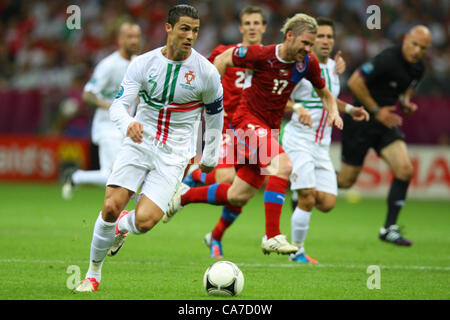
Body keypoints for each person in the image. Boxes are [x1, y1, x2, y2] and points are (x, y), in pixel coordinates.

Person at [164, 13, 343, 256]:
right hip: (245, 121)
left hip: (267, 128)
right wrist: (210, 93)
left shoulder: (306, 63)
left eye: (310, 45)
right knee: (282, 165)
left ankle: (182, 198)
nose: (308, 49)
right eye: (305, 43)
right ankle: (272, 236)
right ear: (290, 36)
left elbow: (325, 93)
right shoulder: (263, 54)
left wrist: (334, 111)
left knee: (238, 195)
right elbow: (226, 58)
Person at [75, 4, 224, 292]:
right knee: (109, 206)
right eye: (184, 28)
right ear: (168, 29)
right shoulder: (143, 63)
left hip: (174, 154)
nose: (190, 35)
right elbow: (118, 104)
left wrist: (210, 154)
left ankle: (122, 227)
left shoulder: (206, 73)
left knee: (143, 222)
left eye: (195, 30)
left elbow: (215, 115)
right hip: (139, 143)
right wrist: (128, 123)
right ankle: (92, 274)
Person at [181, 6, 267, 258]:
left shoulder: (271, 58)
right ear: (241, 28)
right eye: (247, 22)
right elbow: (202, 80)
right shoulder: (222, 53)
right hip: (228, 124)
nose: (252, 27)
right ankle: (196, 178)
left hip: (259, 128)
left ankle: (215, 236)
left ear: (264, 28)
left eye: (256, 23)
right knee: (227, 180)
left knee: (242, 194)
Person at [282, 17, 369, 264]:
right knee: (309, 196)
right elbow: (280, 97)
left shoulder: (333, 67)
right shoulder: (299, 66)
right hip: (299, 139)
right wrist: (297, 107)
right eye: (320, 36)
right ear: (310, 39)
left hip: (322, 145)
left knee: (328, 203)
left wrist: (351, 110)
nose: (325, 41)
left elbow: (328, 99)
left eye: (329, 37)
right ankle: (297, 251)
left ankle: (299, 192)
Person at [337, 25, 432, 246]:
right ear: (406, 39)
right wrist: (376, 110)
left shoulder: (418, 67)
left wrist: (406, 103)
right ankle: (305, 182)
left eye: (423, 48)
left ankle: (389, 228)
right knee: (345, 181)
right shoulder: (388, 59)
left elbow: (407, 90)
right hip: (362, 120)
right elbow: (354, 82)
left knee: (405, 169)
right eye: (414, 44)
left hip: (385, 123)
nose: (417, 51)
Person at [62, 22, 141, 200]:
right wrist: (112, 106)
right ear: (120, 40)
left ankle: (75, 176)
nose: (134, 40)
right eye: (129, 37)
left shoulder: (139, 63)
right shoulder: (109, 65)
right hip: (108, 126)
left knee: (114, 174)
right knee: (120, 174)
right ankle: (144, 211)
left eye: (137, 36)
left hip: (129, 126)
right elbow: (88, 94)